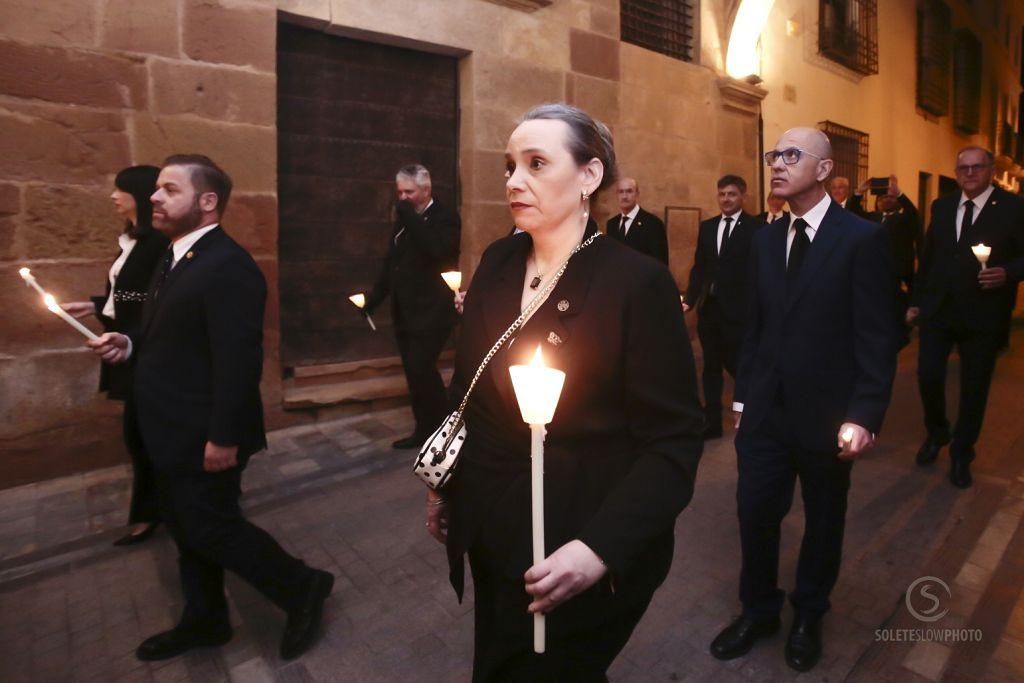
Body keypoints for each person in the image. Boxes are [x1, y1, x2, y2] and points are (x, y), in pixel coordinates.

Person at [425, 104, 703, 681]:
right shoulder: (499, 260)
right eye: (509, 166)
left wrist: (598, 549)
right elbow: (466, 390)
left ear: (589, 177)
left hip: (580, 534)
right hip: (495, 525)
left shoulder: (635, 283)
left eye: (535, 163)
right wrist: (445, 482)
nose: (513, 181)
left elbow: (673, 443)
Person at [87, 154, 333, 662]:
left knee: (211, 526)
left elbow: (238, 362)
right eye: (155, 189)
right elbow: (174, 335)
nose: (154, 197)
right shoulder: (174, 255)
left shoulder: (229, 266)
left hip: (205, 431)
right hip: (168, 425)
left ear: (207, 202)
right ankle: (206, 619)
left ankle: (303, 585)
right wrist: (128, 344)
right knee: (182, 524)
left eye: (169, 190)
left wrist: (224, 437)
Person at [710, 128, 898, 672]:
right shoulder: (766, 238)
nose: (777, 165)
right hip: (766, 412)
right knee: (755, 513)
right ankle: (759, 609)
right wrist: (742, 401)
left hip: (826, 416)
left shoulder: (861, 239)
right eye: (774, 155)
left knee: (822, 521)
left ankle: (810, 613)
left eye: (792, 155)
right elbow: (756, 329)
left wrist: (864, 414)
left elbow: (876, 335)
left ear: (823, 169)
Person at [62, 165, 168, 546]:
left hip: (144, 346)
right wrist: (93, 305)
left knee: (143, 432)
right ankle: (156, 508)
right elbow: (127, 292)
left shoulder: (157, 242)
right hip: (127, 340)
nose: (112, 196)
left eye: (119, 189)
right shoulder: (130, 239)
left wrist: (123, 330)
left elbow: (152, 300)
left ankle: (152, 512)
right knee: (141, 432)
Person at [908, 146, 1024, 488]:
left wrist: (1008, 272)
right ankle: (937, 432)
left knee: (975, 388)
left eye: (976, 167)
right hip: (939, 310)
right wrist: (916, 301)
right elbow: (927, 258)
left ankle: (962, 452)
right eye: (963, 168)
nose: (969, 174)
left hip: (983, 313)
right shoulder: (942, 206)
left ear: (989, 170)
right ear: (957, 172)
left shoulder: (1013, 208)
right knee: (928, 374)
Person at [365, 164, 461, 449]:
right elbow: (392, 263)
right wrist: (373, 300)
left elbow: (438, 251)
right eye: (400, 192)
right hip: (406, 311)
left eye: (409, 192)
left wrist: (409, 218)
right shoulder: (406, 220)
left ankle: (444, 429)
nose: (403, 198)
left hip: (433, 311)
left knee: (422, 368)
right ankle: (424, 429)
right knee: (413, 373)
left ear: (426, 190)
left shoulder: (445, 217)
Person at [683, 175, 764, 439]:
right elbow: (700, 267)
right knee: (711, 368)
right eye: (722, 194)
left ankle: (750, 416)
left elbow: (759, 272)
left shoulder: (756, 229)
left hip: (739, 312)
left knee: (741, 366)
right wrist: (689, 300)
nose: (726, 199)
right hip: (710, 311)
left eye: (731, 194)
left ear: (742, 196)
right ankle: (713, 422)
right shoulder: (708, 227)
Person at [605, 177, 669, 264]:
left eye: (629, 191)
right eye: (621, 192)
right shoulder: (612, 224)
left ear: (637, 194)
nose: (624, 196)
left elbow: (660, 263)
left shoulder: (653, 224)